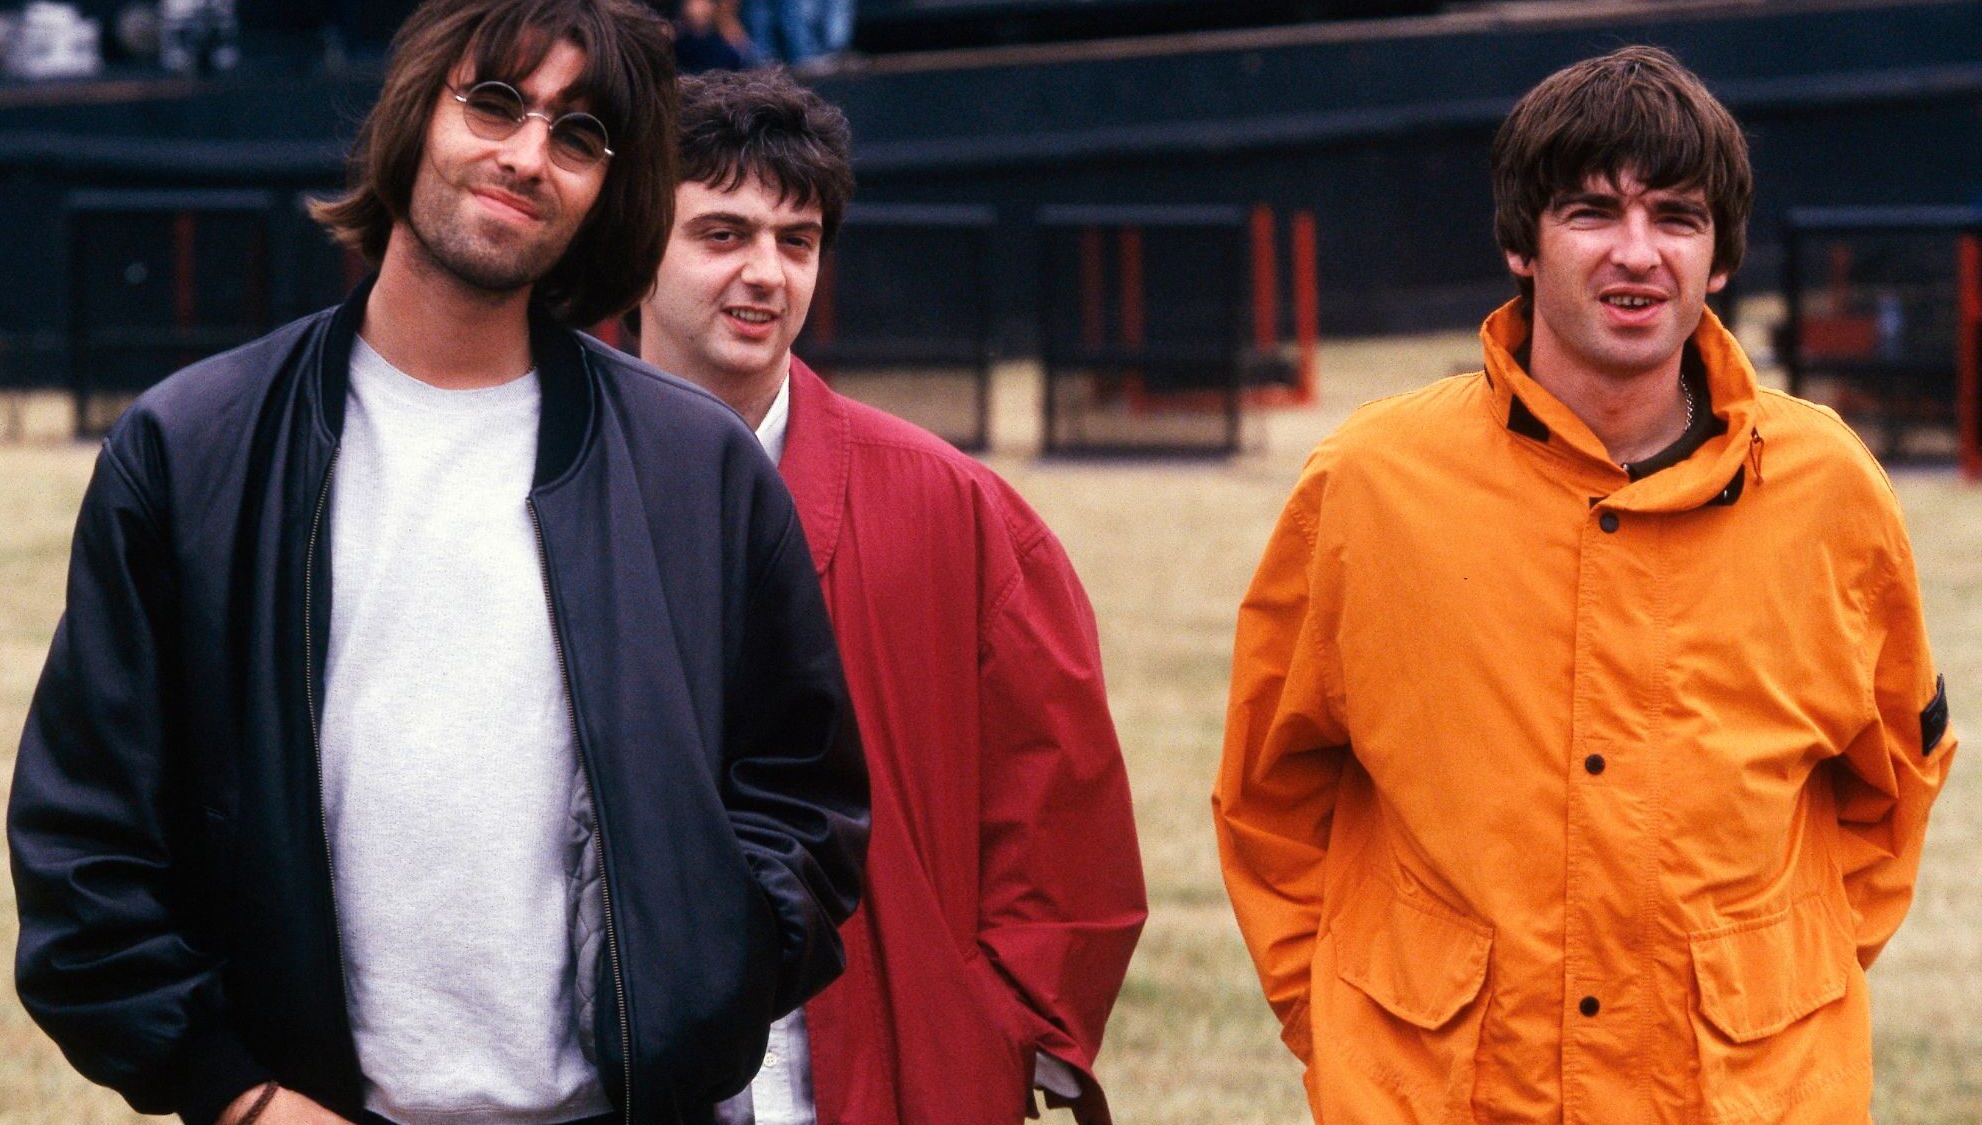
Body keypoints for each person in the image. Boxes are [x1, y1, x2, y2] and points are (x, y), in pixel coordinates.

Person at [8, 2, 868, 1124]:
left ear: (609, 190)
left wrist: (701, 991)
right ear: (417, 111)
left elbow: (803, 801)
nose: (528, 156)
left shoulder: (696, 467)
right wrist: (237, 1094)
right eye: (497, 103)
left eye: (579, 135)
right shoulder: (192, 448)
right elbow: (86, 847)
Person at [1215, 45, 1955, 1123]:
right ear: (1521, 243)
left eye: (1677, 217)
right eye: (1592, 212)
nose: (1637, 252)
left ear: (1720, 257)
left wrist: (1779, 981)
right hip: (1437, 1097)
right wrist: (1333, 1020)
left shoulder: (1829, 488)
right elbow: (1270, 792)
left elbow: (1897, 774)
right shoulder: (1368, 482)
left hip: (1744, 1097)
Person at [638, 68, 1146, 1125]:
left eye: (797, 240)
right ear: (635, 240)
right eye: (722, 234)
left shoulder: (956, 509)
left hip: (885, 1073)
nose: (766, 273)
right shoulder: (531, 487)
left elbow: (1064, 806)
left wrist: (997, 1027)